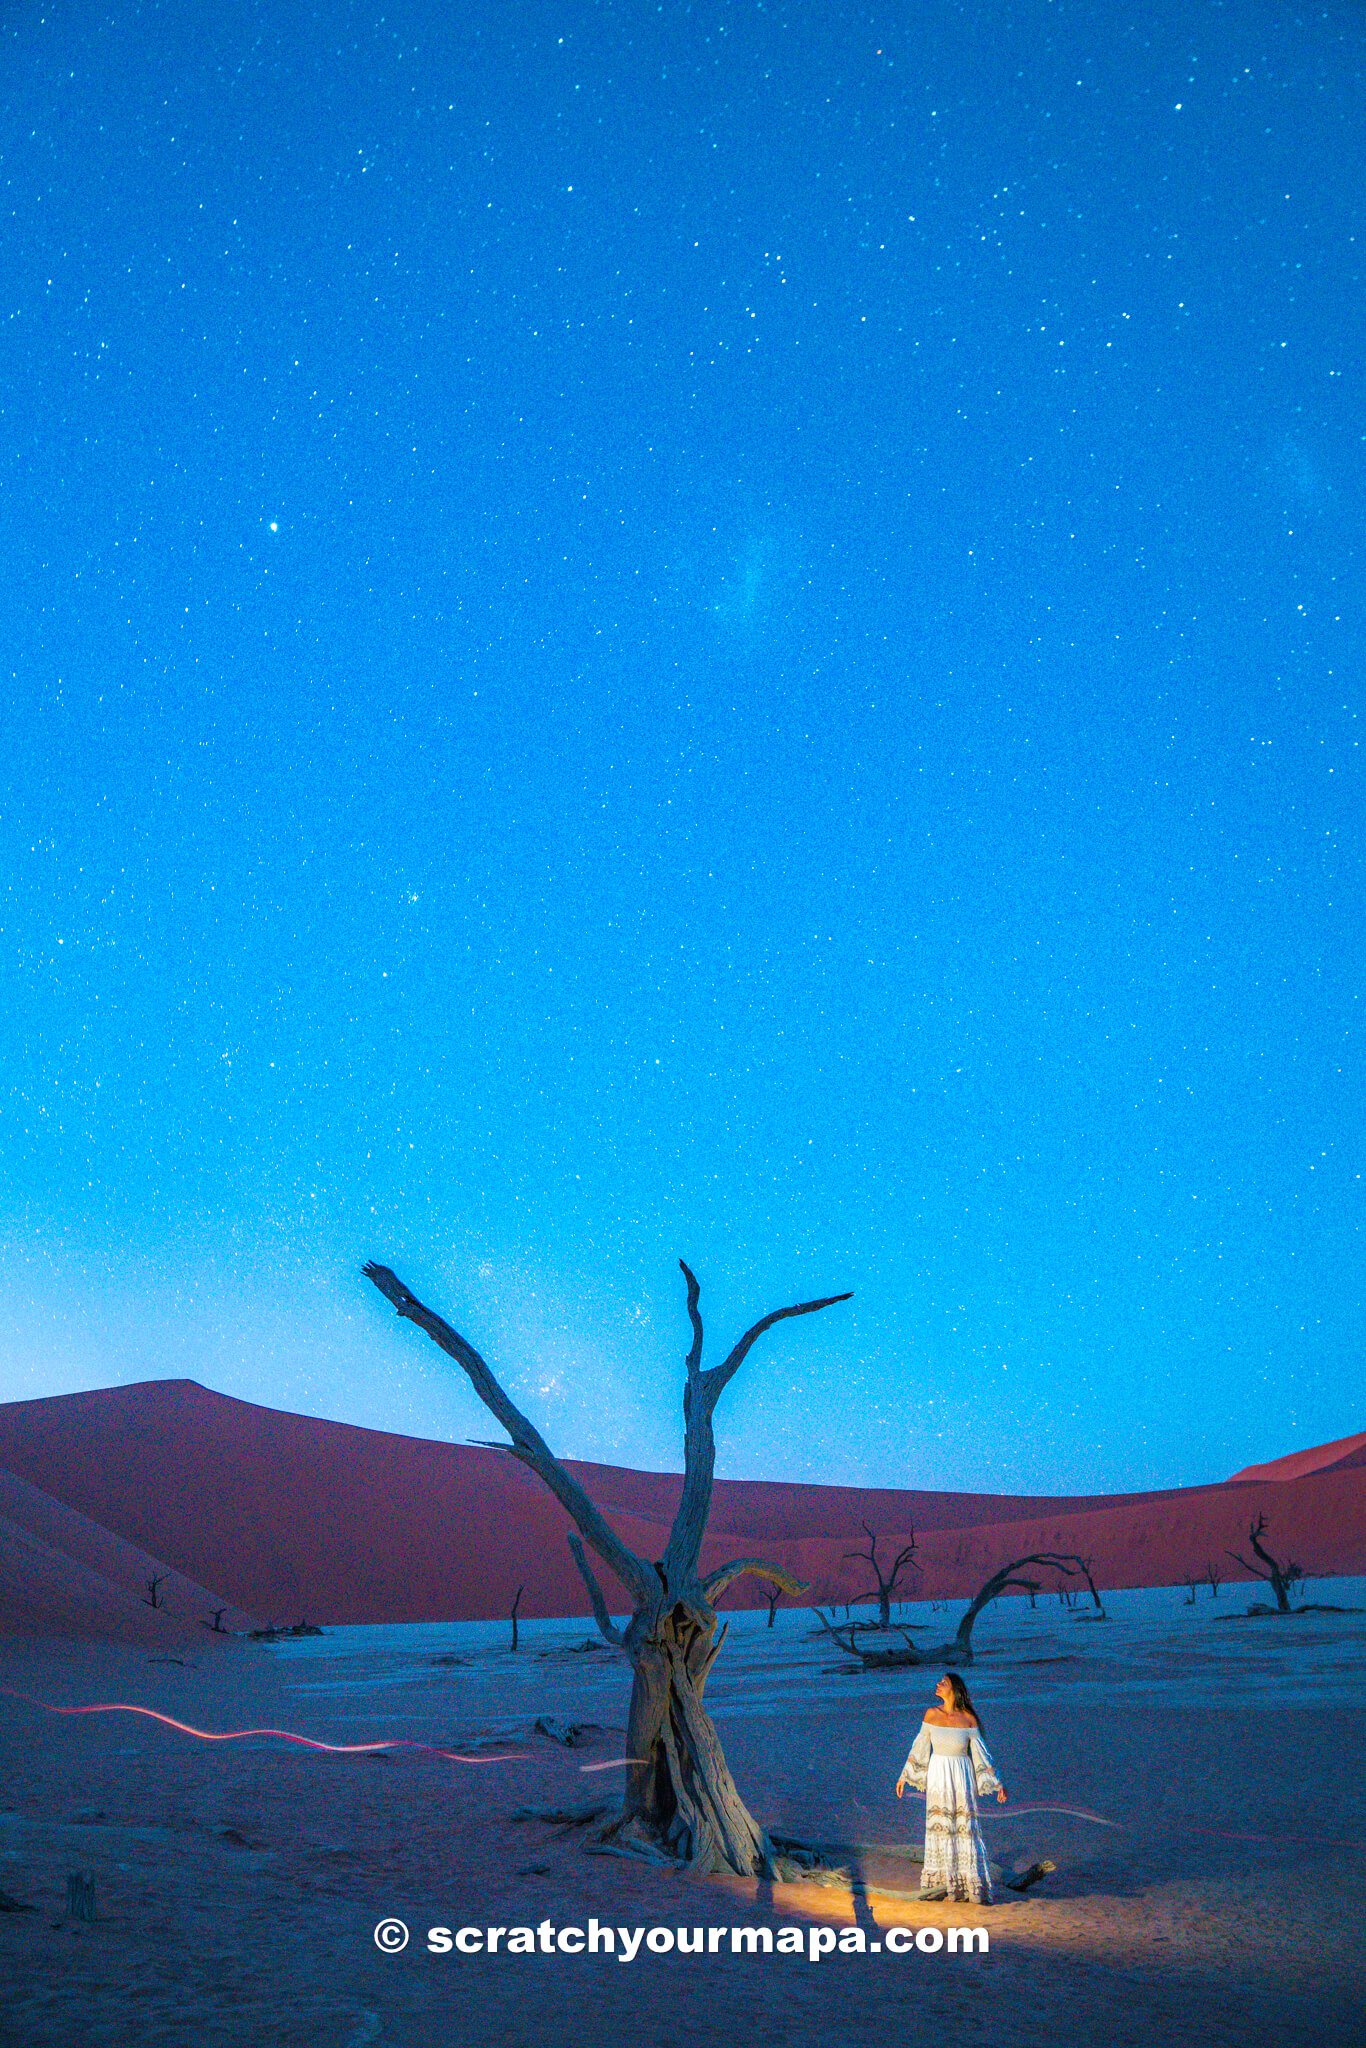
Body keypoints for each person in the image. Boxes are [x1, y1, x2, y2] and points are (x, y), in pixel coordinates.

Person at [895, 1670, 1006, 1903]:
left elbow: (981, 1755)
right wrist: (905, 1776)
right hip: (938, 1775)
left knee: (963, 1825)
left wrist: (997, 1784)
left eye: (943, 1683)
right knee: (941, 1826)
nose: (938, 1684)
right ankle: (940, 1885)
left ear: (954, 1689)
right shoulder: (931, 1714)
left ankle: (968, 1886)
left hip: (961, 1776)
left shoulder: (968, 1718)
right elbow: (920, 1746)